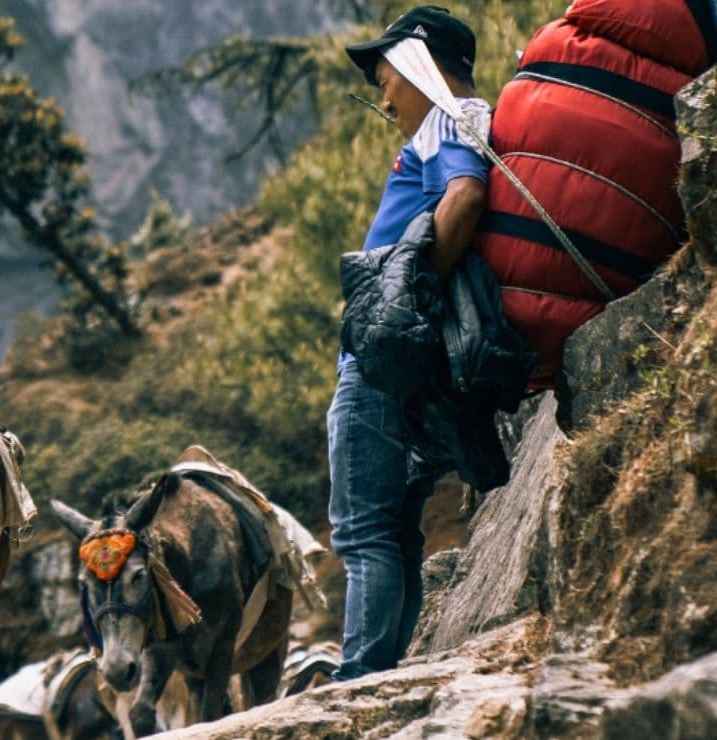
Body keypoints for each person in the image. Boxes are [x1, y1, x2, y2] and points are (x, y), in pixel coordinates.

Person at [327, 5, 490, 681]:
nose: (384, 97)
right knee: (395, 532)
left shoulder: (447, 120)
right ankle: (383, 675)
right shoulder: (460, 122)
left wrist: (401, 308)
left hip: (379, 359)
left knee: (364, 531)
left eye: (386, 77)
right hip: (406, 358)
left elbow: (465, 196)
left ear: (421, 65)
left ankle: (357, 682)